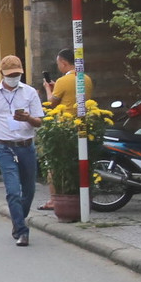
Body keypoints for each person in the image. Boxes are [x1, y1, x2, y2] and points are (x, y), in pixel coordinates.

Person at [0, 55, 44, 247]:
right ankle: (22, 230)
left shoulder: (30, 92)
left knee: (29, 190)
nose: (13, 78)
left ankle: (18, 219)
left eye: (17, 74)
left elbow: (39, 121)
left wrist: (28, 118)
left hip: (26, 145)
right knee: (12, 191)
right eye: (10, 75)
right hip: (4, 146)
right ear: (2, 73)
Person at [39, 48, 94, 210]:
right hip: (82, 125)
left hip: (64, 126)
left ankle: (54, 200)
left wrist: (48, 88)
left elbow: (51, 103)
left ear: (63, 63)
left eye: (58, 63)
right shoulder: (86, 79)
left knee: (54, 165)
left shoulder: (63, 81)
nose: (58, 67)